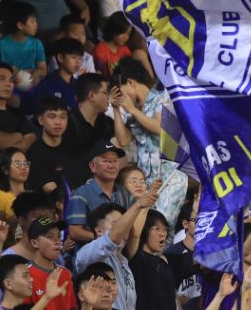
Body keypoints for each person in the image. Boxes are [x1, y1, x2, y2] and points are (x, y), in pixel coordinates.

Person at [111, 58, 188, 229]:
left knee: (161, 225)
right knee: (146, 229)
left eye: (120, 91)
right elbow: (123, 140)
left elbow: (162, 129)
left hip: (170, 178)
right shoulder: (134, 109)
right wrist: (116, 109)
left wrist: (131, 110)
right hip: (146, 181)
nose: (120, 96)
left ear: (130, 83)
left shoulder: (162, 98)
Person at [65, 140, 133, 243]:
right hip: (91, 257)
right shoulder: (81, 194)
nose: (112, 165)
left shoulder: (124, 193)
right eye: (106, 161)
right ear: (92, 166)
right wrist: (105, 238)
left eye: (115, 161)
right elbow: (74, 231)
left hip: (119, 256)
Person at [22, 216, 77, 310]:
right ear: (35, 243)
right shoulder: (25, 274)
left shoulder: (65, 274)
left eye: (59, 236)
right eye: (50, 236)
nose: (57, 241)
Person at [25, 97, 74, 197]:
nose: (58, 122)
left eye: (63, 117)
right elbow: (51, 190)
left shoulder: (73, 148)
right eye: (52, 116)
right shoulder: (34, 153)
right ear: (40, 120)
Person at [0, 1, 46, 85]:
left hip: (31, 85)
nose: (36, 24)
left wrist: (36, 73)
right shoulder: (1, 45)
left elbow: (43, 69)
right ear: (20, 25)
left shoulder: (37, 44)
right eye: (33, 21)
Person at [0, 63, 36, 152]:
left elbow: (31, 139)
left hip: (17, 164)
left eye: (11, 80)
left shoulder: (18, 114)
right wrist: (18, 136)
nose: (8, 84)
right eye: (2, 79)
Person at [29, 37, 83, 110]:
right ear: (60, 58)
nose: (78, 62)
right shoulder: (46, 85)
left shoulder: (80, 85)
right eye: (74, 57)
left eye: (80, 58)